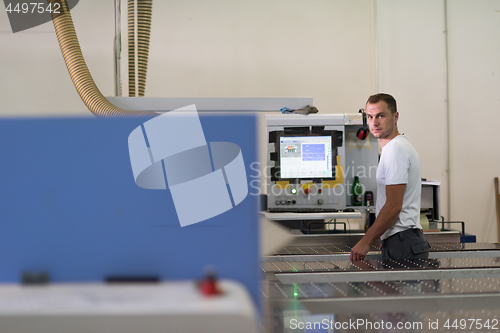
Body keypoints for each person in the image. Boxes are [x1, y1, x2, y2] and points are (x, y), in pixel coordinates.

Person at [350, 93, 429, 262]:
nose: (374, 122)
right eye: (370, 117)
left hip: (403, 242)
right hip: (401, 240)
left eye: (381, 116)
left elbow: (394, 206)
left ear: (395, 117)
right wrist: (386, 235)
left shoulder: (395, 150)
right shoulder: (396, 147)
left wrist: (365, 242)